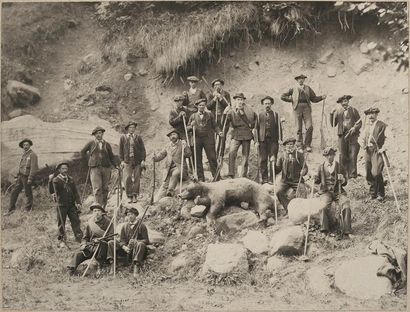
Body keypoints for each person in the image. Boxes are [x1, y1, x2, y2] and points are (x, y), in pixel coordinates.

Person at [281, 74, 327, 152]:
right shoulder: (293, 88)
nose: (301, 80)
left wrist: (321, 97)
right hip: (297, 108)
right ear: (297, 80)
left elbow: (314, 99)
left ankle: (307, 145)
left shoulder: (308, 88)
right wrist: (291, 99)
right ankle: (299, 146)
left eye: (302, 79)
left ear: (304, 80)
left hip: (307, 108)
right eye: (299, 79)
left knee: (309, 126)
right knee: (298, 128)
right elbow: (282, 96)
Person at [314, 147, 352, 238]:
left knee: (346, 204)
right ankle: (324, 230)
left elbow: (345, 182)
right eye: (327, 155)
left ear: (334, 155)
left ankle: (347, 230)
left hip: (338, 191)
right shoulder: (321, 167)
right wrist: (315, 178)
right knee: (322, 206)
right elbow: (317, 181)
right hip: (326, 192)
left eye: (331, 155)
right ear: (325, 156)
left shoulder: (339, 166)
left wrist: (342, 179)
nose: (330, 157)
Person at [67, 203, 114, 276]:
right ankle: (71, 270)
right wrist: (83, 244)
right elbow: (85, 237)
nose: (96, 213)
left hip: (102, 248)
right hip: (91, 246)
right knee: (79, 254)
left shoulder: (108, 222)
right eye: (95, 211)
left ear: (102, 212)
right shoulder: (90, 223)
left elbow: (112, 237)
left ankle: (100, 267)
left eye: (98, 210)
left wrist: (101, 239)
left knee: (102, 244)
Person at [81, 126, 118, 207]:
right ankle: (98, 207)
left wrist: (116, 165)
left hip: (106, 168)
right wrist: (90, 160)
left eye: (100, 133)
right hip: (95, 168)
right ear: (94, 135)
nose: (98, 135)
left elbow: (111, 156)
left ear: (102, 134)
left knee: (105, 188)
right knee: (97, 188)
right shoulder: (91, 143)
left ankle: (104, 207)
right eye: (96, 133)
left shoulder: (107, 144)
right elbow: (82, 152)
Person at [188, 98, 223, 181]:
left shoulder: (210, 114)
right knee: (197, 159)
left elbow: (215, 126)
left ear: (205, 106)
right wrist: (191, 126)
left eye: (203, 105)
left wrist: (219, 132)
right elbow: (187, 128)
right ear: (197, 106)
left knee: (212, 157)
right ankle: (200, 178)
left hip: (208, 138)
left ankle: (216, 177)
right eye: (200, 105)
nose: (201, 107)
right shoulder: (193, 116)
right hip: (197, 139)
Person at [109, 207, 149, 277]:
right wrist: (124, 247)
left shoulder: (142, 226)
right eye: (128, 214)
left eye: (132, 214)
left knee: (140, 244)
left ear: (136, 215)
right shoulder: (124, 226)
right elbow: (122, 240)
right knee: (111, 242)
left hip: (137, 249)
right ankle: (112, 265)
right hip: (126, 249)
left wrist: (136, 242)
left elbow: (146, 240)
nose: (130, 216)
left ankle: (136, 267)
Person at [153, 128, 192, 198]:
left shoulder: (182, 144)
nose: (172, 136)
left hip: (181, 168)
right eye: (170, 135)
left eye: (174, 134)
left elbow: (189, 154)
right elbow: (161, 155)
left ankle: (170, 192)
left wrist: (186, 146)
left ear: (178, 135)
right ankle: (157, 200)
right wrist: (155, 158)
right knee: (164, 184)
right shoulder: (167, 146)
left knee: (175, 173)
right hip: (169, 169)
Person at [225, 93, 257, 178]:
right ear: (235, 101)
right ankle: (231, 173)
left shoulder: (249, 110)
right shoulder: (231, 111)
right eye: (238, 100)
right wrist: (225, 113)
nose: (240, 101)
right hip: (236, 135)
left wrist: (251, 126)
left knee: (245, 156)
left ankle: (243, 175)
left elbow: (255, 121)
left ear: (243, 101)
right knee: (232, 153)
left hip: (246, 135)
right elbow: (224, 123)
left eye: (241, 100)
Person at [360, 107, 388, 202]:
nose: (371, 116)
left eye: (373, 113)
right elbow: (361, 138)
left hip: (377, 151)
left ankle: (381, 193)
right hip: (368, 151)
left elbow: (389, 138)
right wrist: (363, 145)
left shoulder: (382, 125)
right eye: (369, 114)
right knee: (368, 173)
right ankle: (373, 193)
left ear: (377, 114)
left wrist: (383, 148)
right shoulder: (367, 126)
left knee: (376, 172)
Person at [330, 95, 362, 178]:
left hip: (353, 136)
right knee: (343, 155)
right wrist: (331, 114)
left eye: (345, 101)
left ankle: (352, 175)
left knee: (353, 155)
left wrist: (354, 128)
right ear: (340, 103)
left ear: (348, 102)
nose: (344, 103)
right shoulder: (338, 112)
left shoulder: (354, 110)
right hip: (342, 135)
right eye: (342, 102)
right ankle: (343, 175)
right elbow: (333, 124)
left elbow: (359, 122)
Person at [254, 96, 283, 184]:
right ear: (263, 104)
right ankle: (264, 178)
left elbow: (279, 128)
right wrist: (256, 141)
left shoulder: (275, 115)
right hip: (262, 141)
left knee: (273, 159)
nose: (267, 105)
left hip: (273, 141)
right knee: (263, 160)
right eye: (266, 103)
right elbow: (256, 129)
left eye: (269, 103)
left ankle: (272, 179)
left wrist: (280, 139)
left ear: (271, 104)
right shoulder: (259, 115)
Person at [52, 162, 83, 244]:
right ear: (59, 170)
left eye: (66, 168)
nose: (65, 170)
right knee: (61, 223)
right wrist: (50, 181)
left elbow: (75, 192)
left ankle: (79, 238)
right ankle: (62, 239)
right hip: (61, 205)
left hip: (71, 205)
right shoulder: (56, 180)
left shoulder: (70, 179)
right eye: (63, 169)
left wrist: (78, 202)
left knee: (75, 221)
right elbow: (52, 191)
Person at [275, 138, 308, 213]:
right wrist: (272, 165)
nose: (289, 146)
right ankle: (288, 209)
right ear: (285, 146)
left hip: (297, 181)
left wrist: (304, 171)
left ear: (294, 145)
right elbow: (277, 169)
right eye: (288, 145)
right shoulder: (282, 155)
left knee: (303, 192)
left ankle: (302, 211)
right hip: (285, 181)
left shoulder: (299, 155)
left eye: (291, 144)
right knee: (278, 192)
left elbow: (305, 167)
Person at [7, 138, 39, 215]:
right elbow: (21, 166)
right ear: (22, 146)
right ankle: (11, 210)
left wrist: (30, 178)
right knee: (14, 192)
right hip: (20, 177)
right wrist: (16, 177)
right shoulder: (24, 154)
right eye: (24, 145)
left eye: (27, 144)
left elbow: (34, 168)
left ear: (30, 145)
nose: (25, 146)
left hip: (27, 177)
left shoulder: (32, 155)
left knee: (28, 193)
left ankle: (28, 210)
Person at [119, 121, 146, 203]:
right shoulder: (123, 138)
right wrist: (122, 161)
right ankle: (129, 195)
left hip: (137, 160)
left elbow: (143, 150)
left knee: (137, 178)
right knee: (128, 178)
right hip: (127, 160)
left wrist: (143, 160)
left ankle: (135, 195)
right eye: (130, 127)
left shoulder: (138, 137)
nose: (132, 129)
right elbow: (120, 150)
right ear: (127, 129)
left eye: (133, 127)